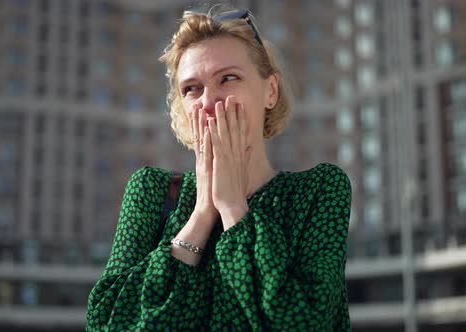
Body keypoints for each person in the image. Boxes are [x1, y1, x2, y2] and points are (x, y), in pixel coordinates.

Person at [87, 5, 352, 331]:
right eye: (191, 89)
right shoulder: (152, 191)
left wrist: (232, 207)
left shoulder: (319, 190)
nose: (209, 101)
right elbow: (107, 323)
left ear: (270, 90)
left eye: (228, 78)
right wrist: (201, 214)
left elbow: (304, 320)